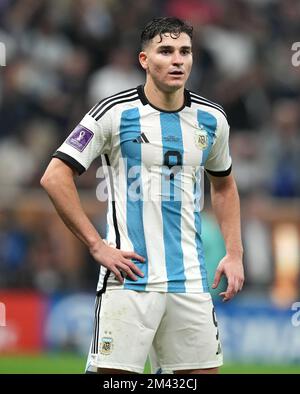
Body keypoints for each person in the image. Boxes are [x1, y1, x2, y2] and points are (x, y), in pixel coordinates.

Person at [41, 16, 244, 374]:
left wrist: (234, 252)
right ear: (144, 60)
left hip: (191, 281)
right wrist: (95, 245)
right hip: (130, 279)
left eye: (185, 51)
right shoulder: (113, 112)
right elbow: (55, 176)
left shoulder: (212, 119)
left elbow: (224, 185)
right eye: (165, 51)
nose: (177, 60)